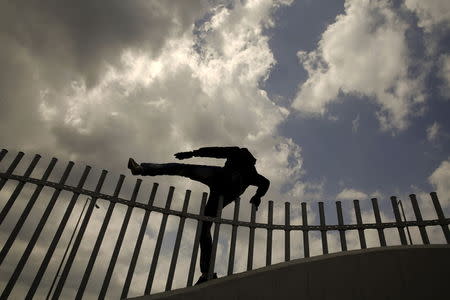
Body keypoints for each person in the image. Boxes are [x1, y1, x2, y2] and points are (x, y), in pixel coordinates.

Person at [128, 146, 270, 285]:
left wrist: (192, 153)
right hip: (228, 190)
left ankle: (142, 169)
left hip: (219, 178)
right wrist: (258, 197)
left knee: (182, 169)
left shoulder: (239, 156)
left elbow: (215, 152)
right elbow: (265, 183)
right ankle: (207, 273)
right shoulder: (252, 172)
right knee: (204, 228)